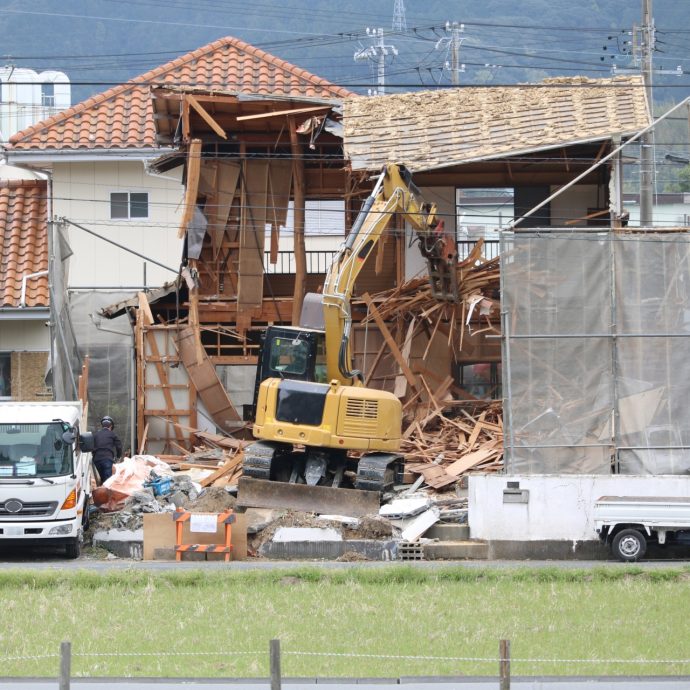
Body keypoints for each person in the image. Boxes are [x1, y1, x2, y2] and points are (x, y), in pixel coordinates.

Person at [93, 416, 122, 484]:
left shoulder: (96, 435)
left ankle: (102, 491)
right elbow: (119, 447)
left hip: (97, 460)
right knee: (108, 481)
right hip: (107, 459)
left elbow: (91, 446)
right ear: (111, 426)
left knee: (103, 479)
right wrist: (118, 457)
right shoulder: (112, 434)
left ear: (102, 425)